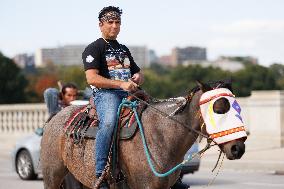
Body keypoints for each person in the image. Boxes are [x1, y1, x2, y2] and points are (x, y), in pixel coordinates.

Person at [82, 6, 144, 189]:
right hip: (105, 94)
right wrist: (120, 84)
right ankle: (100, 172)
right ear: (101, 25)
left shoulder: (123, 49)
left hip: (130, 93)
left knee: (157, 115)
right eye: (110, 22)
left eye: (118, 22)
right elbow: (92, 78)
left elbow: (138, 71)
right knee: (109, 122)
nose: (115, 26)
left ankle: (173, 175)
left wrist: (139, 76)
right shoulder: (94, 48)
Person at [43, 82, 84, 189]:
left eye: (75, 95)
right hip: (57, 147)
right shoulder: (57, 109)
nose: (72, 98)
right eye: (69, 95)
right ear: (62, 96)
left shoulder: (81, 109)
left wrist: (82, 93)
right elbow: (49, 92)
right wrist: (59, 93)